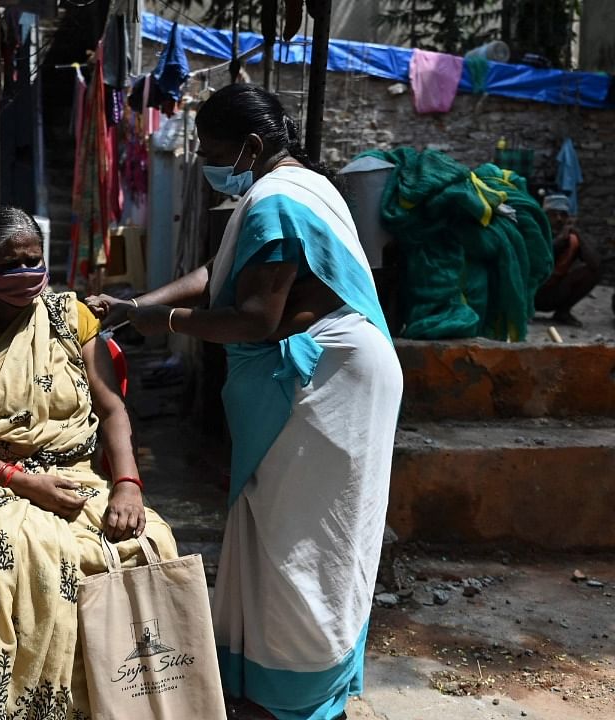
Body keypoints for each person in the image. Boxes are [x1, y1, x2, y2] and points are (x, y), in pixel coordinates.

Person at [88, 84, 403, 720]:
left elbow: (258, 316)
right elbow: (219, 272)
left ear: (252, 146)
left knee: (304, 547)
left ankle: (302, 690)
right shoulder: (296, 187)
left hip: (325, 382)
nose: (208, 162)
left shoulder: (276, 202)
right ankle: (272, 678)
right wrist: (136, 308)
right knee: (276, 532)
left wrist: (166, 322)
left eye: (213, 150)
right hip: (337, 372)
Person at [0, 206, 178, 718]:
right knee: (11, 552)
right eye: (8, 266)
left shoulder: (71, 316)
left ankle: (119, 699)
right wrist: (23, 482)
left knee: (151, 540)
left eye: (33, 261)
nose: (25, 276)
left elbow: (110, 407)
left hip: (78, 474)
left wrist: (127, 482)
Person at [534, 194, 601, 327]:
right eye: (553, 214)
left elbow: (595, 264)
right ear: (544, 216)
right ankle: (521, 312)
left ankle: (563, 312)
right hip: (531, 294)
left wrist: (578, 235)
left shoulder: (571, 239)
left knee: (592, 272)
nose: (559, 219)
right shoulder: (534, 232)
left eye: (563, 215)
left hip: (553, 293)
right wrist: (555, 245)